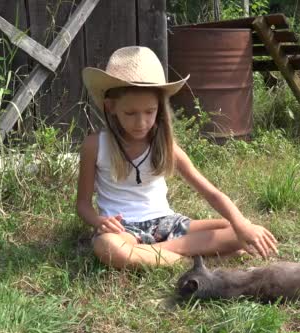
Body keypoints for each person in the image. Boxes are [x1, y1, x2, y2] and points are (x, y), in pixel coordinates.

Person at [77, 46, 278, 269]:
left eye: (149, 112)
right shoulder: (95, 145)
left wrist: (241, 224)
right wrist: (99, 222)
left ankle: (149, 255)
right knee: (108, 248)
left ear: (160, 109)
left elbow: (210, 192)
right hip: (123, 230)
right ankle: (192, 258)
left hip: (167, 224)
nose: (141, 122)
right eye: (130, 113)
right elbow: (83, 204)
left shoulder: (166, 146)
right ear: (111, 107)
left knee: (239, 228)